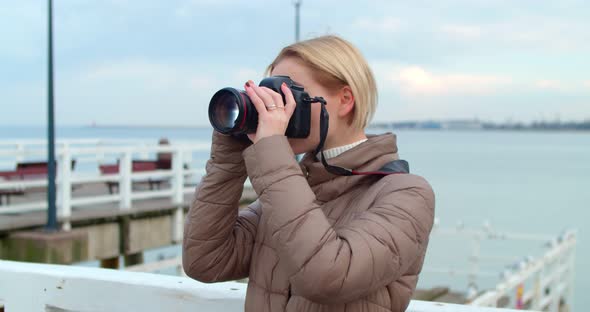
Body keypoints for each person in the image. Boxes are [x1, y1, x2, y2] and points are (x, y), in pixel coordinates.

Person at [182, 35, 435, 312]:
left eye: (289, 95)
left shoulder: (406, 195)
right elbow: (205, 261)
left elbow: (328, 277)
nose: (277, 110)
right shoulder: (289, 190)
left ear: (345, 99)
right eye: (270, 98)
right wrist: (228, 162)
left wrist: (272, 153)